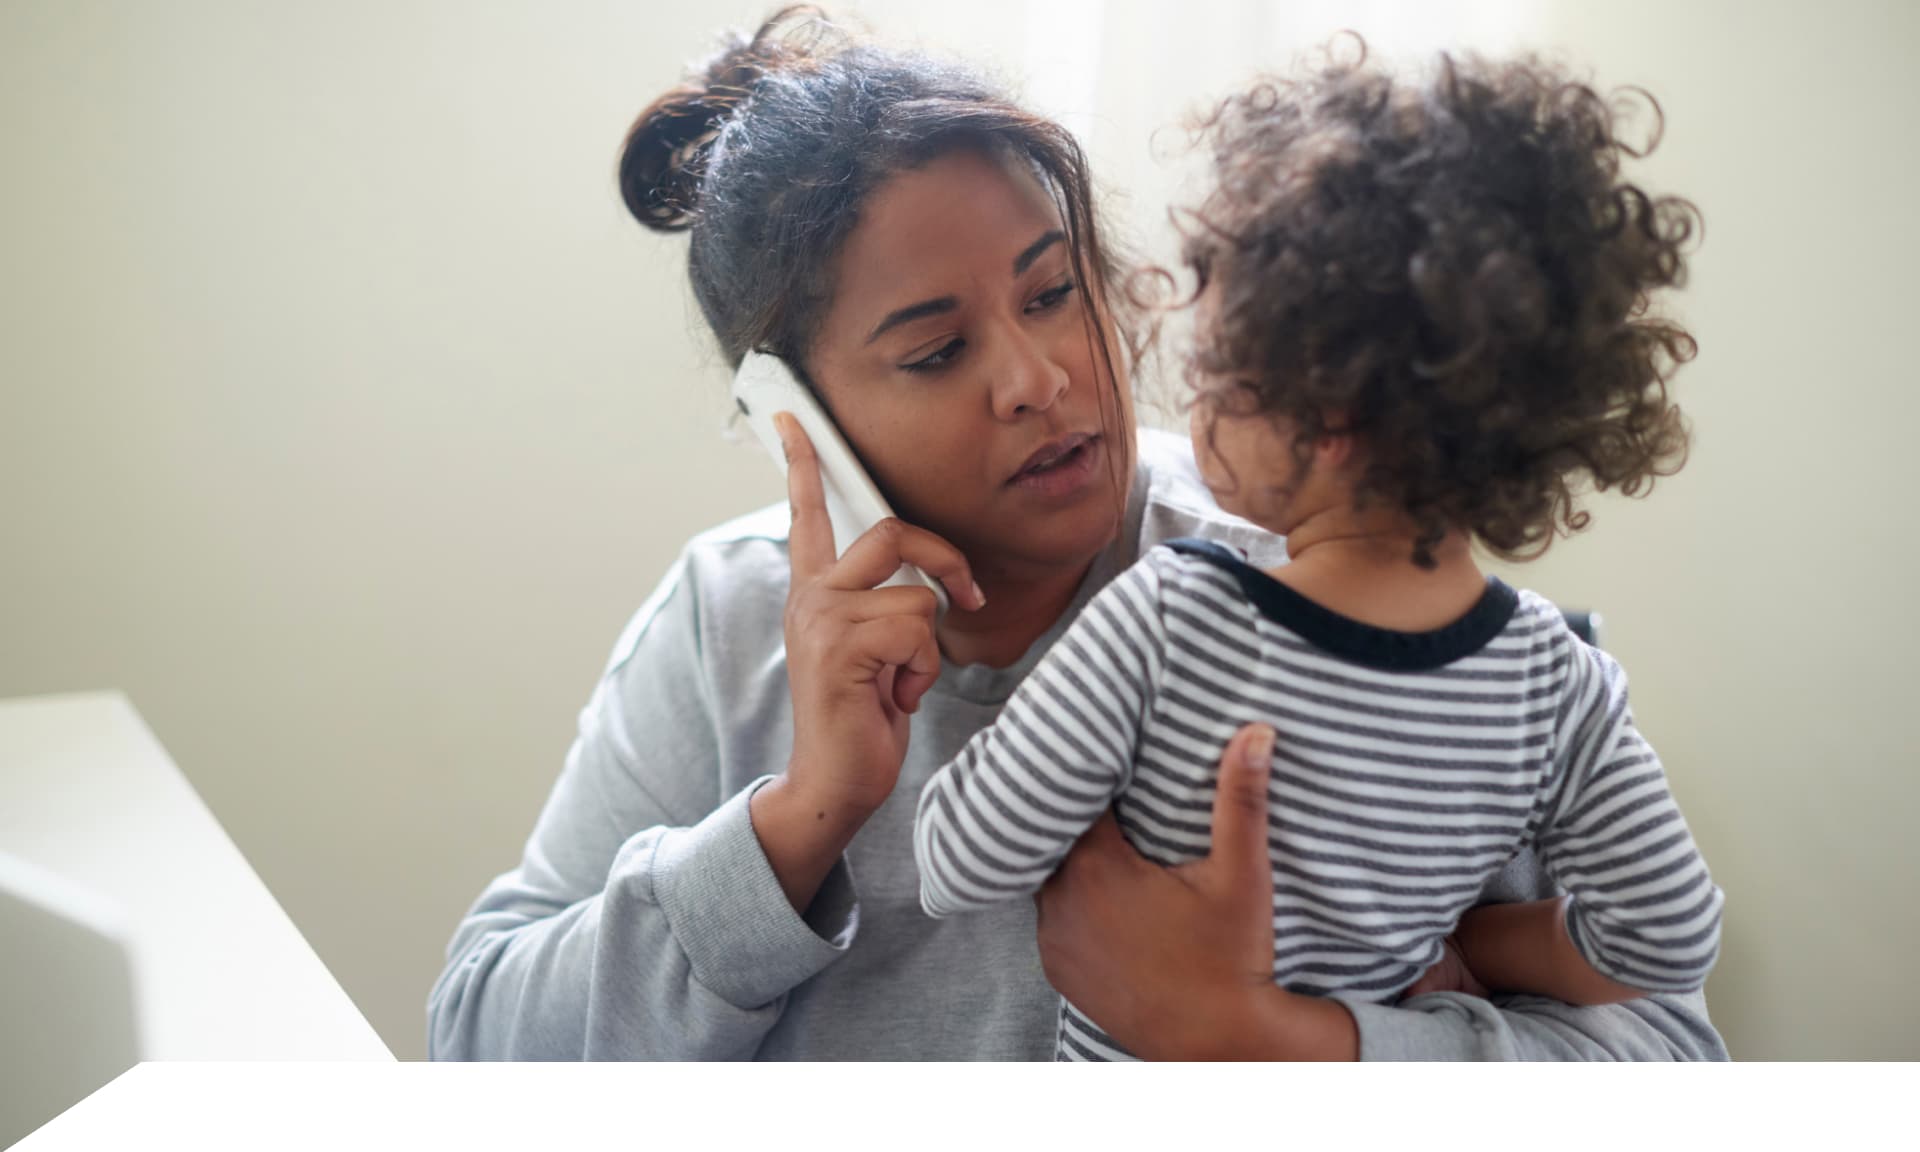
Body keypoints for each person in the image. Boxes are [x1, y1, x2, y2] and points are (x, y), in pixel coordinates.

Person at [427, 8, 1728, 1060]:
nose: (1040, 377)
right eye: (936, 351)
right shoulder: (725, 619)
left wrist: (1287, 1046)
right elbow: (479, 1045)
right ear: (797, 420)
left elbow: (1668, 1055)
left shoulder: (1329, 581)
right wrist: (801, 822)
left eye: (1054, 290)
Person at [913, 45, 1726, 1061]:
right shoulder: (1559, 686)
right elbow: (1667, 935)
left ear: (1329, 415)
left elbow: (958, 865)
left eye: (1215, 369)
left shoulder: (1171, 618)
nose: (1192, 404)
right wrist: (1468, 947)